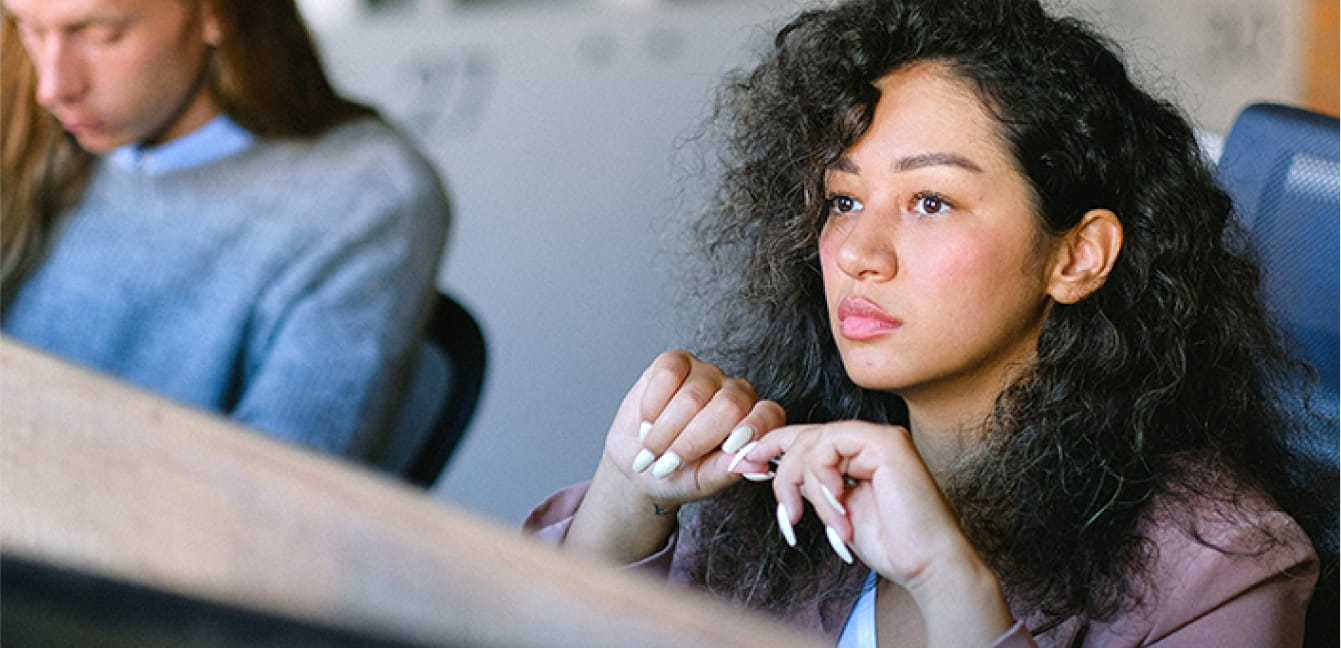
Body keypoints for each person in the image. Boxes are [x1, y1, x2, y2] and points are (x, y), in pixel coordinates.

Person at [525, 0, 1335, 645]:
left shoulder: (1220, 567)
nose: (857, 254)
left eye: (930, 202)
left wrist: (949, 579)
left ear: (1077, 256)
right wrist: (626, 507)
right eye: (843, 201)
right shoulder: (780, 481)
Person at [1, 0, 450, 460]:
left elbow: (275, 499)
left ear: (219, 14)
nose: (53, 88)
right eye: (28, 28)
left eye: (101, 34)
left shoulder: (362, 196)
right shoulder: (27, 126)